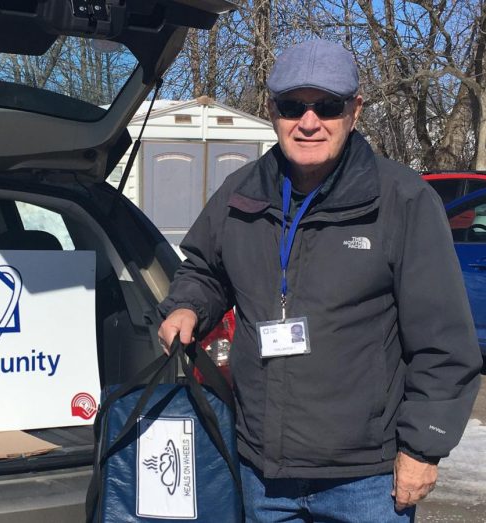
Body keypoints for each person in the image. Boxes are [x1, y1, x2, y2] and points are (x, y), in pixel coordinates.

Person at [157, 39, 482, 522]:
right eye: (293, 106)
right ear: (273, 111)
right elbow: (204, 268)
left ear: (355, 109)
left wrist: (423, 448)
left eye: (327, 106)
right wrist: (188, 304)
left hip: (366, 479)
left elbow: (443, 342)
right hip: (261, 470)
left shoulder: (402, 201)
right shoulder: (240, 194)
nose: (309, 123)